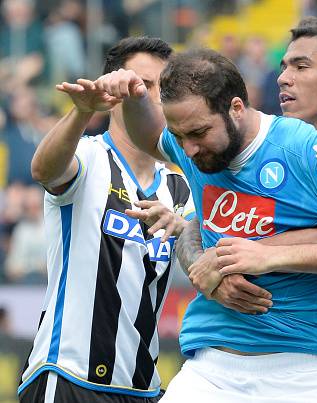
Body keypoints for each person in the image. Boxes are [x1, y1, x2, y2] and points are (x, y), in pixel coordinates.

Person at [94, 48, 317, 402]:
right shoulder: (191, 145)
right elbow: (150, 134)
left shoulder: (306, 149)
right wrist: (134, 96)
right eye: (179, 137)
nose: (187, 151)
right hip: (211, 368)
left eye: (198, 133)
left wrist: (266, 256)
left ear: (236, 107)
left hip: (308, 364)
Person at [18, 37, 194, 403]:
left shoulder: (182, 188)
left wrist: (189, 229)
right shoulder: (87, 156)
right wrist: (82, 112)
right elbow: (44, 170)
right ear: (113, 91)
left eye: (164, 86)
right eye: (142, 84)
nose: (153, 96)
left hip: (142, 387)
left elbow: (206, 257)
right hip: (68, 376)